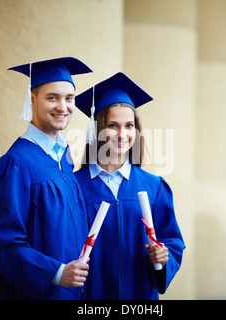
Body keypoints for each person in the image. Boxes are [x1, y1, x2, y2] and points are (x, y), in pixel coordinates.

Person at [0, 57, 93, 300]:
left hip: (71, 294)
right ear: (32, 100)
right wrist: (56, 272)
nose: (63, 107)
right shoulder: (16, 163)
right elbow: (3, 245)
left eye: (69, 98)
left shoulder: (63, 156)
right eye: (52, 97)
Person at [74, 72, 185, 300]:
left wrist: (164, 257)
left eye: (129, 125)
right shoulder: (74, 186)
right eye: (112, 125)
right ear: (97, 130)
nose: (122, 134)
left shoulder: (154, 187)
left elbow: (172, 242)